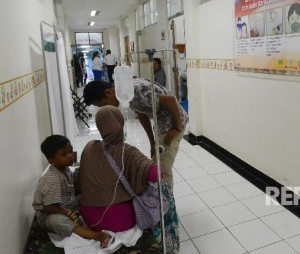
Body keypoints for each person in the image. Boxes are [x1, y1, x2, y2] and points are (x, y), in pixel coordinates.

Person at [79, 106, 180, 252]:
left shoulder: (89, 148)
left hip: (91, 219)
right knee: (161, 190)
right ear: (121, 123)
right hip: (120, 219)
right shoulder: (128, 151)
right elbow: (156, 175)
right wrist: (142, 166)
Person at [83, 79, 188, 187]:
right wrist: (152, 142)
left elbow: (171, 100)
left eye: (104, 104)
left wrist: (176, 128)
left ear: (108, 93)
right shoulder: (126, 91)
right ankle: (160, 195)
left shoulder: (134, 92)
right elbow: (142, 114)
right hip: (163, 123)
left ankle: (167, 201)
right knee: (157, 163)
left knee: (162, 169)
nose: (107, 108)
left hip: (173, 124)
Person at [32, 135, 110, 248]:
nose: (70, 156)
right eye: (64, 154)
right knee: (58, 221)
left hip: (67, 204)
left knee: (88, 195)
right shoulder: (52, 179)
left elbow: (74, 184)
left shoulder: (65, 168)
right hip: (50, 213)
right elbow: (47, 207)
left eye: (71, 151)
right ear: (51, 160)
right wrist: (70, 214)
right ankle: (97, 236)